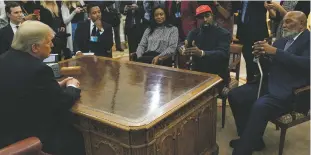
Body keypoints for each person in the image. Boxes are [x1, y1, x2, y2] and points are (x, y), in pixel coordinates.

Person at [228, 11, 310, 155]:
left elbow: (307, 64)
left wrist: (276, 52)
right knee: (235, 95)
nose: (284, 25)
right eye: (284, 21)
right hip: (269, 82)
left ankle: (243, 150)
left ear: (302, 25)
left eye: (289, 21)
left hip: (291, 90)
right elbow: (270, 64)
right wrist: (261, 56)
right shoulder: (281, 40)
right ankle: (253, 140)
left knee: (260, 106)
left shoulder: (308, 40)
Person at [0, 21, 85, 155]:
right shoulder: (38, 70)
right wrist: (72, 86)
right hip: (32, 137)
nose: (52, 45)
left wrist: (56, 85)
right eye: (48, 42)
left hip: (6, 132)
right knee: (79, 136)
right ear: (35, 47)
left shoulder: (4, 59)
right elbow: (62, 102)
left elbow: (23, 87)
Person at [180, 5, 231, 88]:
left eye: (207, 16)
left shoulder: (223, 33)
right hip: (198, 74)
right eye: (201, 17)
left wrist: (202, 53)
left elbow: (223, 54)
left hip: (218, 75)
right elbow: (184, 44)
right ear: (197, 20)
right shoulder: (194, 33)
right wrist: (182, 48)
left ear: (212, 16)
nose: (205, 20)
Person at [236, 1, 268, 83]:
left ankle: (256, 83)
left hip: (256, 33)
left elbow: (265, 7)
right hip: (243, 32)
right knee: (247, 58)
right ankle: (249, 81)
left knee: (256, 60)